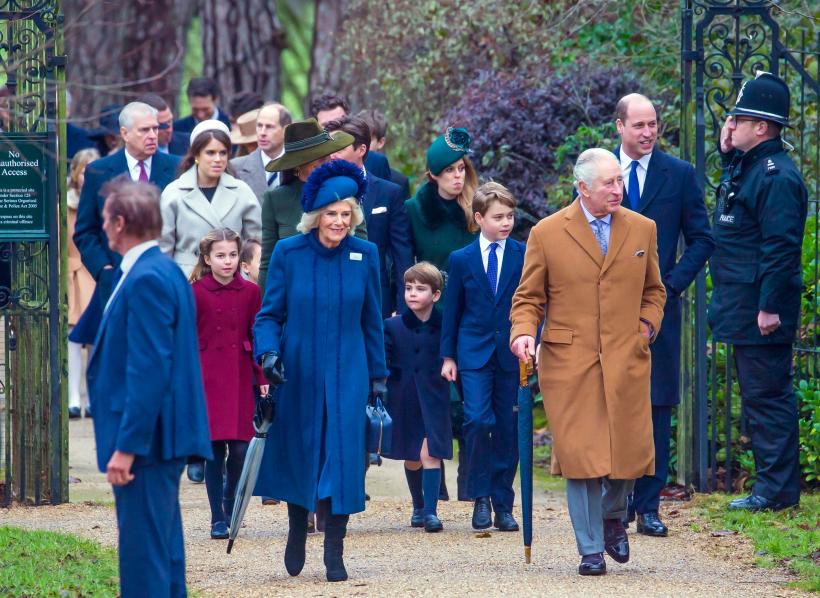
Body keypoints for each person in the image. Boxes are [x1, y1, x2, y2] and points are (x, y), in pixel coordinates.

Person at [509, 148, 666, 576]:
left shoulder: (642, 229)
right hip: (568, 360)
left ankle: (614, 515)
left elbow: (655, 291)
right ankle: (591, 547)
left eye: (619, 181)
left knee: (626, 452)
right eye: (609, 183)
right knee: (580, 455)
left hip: (626, 357)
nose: (618, 189)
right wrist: (524, 332)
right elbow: (528, 298)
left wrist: (645, 328)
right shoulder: (546, 232)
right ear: (582, 188)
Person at [253, 159, 387, 582]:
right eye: (332, 214)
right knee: (301, 450)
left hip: (350, 371)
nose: (340, 221)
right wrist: (268, 355)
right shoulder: (290, 253)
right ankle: (296, 529)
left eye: (347, 214)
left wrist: (378, 378)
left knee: (344, 457)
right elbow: (269, 315)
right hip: (299, 370)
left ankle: (335, 550)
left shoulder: (365, 254)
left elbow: (372, 321)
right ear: (315, 216)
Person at [86, 179, 212, 597]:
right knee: (163, 551)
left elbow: (150, 369)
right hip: (158, 439)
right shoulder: (161, 270)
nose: (102, 226)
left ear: (120, 223)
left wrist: (128, 446)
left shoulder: (147, 278)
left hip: (149, 442)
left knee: (143, 560)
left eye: (106, 218)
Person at [612, 93, 715, 536]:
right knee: (611, 399)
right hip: (607, 308)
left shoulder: (679, 174)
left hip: (659, 310)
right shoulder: (599, 171)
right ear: (620, 126)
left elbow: (703, 239)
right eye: (639, 125)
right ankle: (613, 501)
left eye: (653, 124)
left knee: (657, 403)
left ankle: (649, 505)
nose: (649, 132)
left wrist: (669, 286)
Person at [710, 72, 807, 512]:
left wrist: (769, 306)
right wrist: (727, 147)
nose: (731, 123)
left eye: (739, 118)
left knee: (768, 398)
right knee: (759, 396)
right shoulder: (751, 165)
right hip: (742, 303)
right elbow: (733, 194)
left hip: (759, 309)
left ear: (762, 127)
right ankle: (774, 488)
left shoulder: (777, 177)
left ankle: (777, 491)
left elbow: (781, 248)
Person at [440, 181, 525, 532]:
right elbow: (452, 311)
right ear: (479, 218)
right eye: (499, 217)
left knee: (508, 425)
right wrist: (448, 356)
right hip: (473, 352)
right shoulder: (461, 259)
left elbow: (533, 302)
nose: (506, 222)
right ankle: (479, 497)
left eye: (510, 216)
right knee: (477, 420)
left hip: (511, 353)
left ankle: (503, 502)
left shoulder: (523, 253)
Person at [405, 127, 479, 501]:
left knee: (473, 407)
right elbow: (406, 266)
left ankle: (470, 489)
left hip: (472, 318)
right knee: (436, 405)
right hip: (432, 319)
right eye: (449, 170)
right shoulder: (414, 211)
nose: (457, 175)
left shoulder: (475, 209)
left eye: (462, 168)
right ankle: (437, 492)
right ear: (433, 174)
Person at [72, 101, 181, 345]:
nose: (153, 135)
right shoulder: (99, 171)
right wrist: (104, 271)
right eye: (145, 130)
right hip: (115, 282)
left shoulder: (176, 168)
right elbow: (85, 231)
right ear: (124, 133)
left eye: (155, 128)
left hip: (163, 279)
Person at [190, 228, 267, 540]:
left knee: (239, 449)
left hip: (238, 375)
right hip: (206, 377)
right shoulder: (195, 291)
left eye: (233, 255)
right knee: (212, 450)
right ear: (207, 259)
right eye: (220, 256)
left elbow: (257, 335)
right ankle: (216, 518)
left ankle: (228, 497)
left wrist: (261, 377)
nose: (228, 261)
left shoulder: (250, 292)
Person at [384, 262, 452, 532]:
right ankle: (418, 505)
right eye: (408, 288)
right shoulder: (392, 325)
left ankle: (431, 512)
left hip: (435, 395)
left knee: (430, 452)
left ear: (435, 295)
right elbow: (384, 359)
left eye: (420, 289)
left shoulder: (446, 325)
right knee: (412, 455)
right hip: (404, 397)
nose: (412, 293)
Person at [257, 118, 363, 289]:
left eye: (326, 155)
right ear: (297, 165)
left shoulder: (344, 190)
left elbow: (360, 244)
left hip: (341, 286)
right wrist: (265, 308)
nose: (325, 161)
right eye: (316, 158)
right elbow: (268, 262)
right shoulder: (276, 199)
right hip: (293, 293)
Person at [325, 115, 413, 317]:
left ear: (361, 150)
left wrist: (403, 309)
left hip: (376, 298)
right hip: (328, 296)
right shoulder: (318, 191)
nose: (332, 155)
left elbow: (402, 256)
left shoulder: (389, 193)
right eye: (330, 148)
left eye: (340, 148)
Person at [159, 120, 261, 278]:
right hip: (187, 280)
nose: (218, 159)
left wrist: (247, 279)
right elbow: (163, 249)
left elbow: (256, 243)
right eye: (210, 152)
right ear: (196, 155)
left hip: (233, 282)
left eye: (223, 152)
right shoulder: (174, 193)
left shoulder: (242, 192)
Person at [67, 148, 100, 419]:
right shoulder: (64, 204)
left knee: (93, 337)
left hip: (92, 274)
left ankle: (90, 397)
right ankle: (73, 397)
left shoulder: (104, 202)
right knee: (72, 336)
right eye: (83, 170)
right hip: (70, 273)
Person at [231, 103, 293, 201]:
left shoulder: (300, 165)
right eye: (259, 126)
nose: (262, 132)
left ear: (286, 130)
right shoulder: (235, 167)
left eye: (269, 127)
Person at [357, 108, 411, 199]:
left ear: (381, 142)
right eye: (358, 139)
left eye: (367, 140)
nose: (361, 145)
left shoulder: (399, 181)